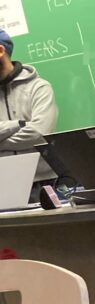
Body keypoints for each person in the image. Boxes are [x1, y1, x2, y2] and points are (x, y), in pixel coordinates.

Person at [0, 28, 59, 195]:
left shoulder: (39, 88)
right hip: (4, 184)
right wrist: (17, 125)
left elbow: (39, 133)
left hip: (43, 184)